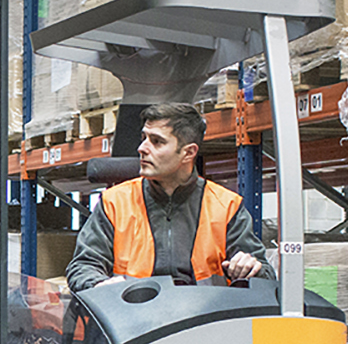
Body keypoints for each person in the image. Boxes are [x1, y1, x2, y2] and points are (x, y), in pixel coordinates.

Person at [65, 102, 272, 291]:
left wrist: (252, 269)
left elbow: (266, 277)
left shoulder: (226, 206)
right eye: (144, 138)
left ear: (188, 153)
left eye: (156, 141)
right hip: (132, 323)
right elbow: (83, 267)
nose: (142, 148)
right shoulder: (114, 203)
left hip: (204, 324)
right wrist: (101, 284)